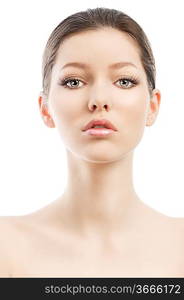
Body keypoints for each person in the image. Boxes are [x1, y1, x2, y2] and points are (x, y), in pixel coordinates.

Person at [0, 7, 183, 278]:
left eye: (124, 81)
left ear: (152, 106)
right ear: (45, 108)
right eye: (74, 81)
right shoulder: (7, 247)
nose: (99, 99)